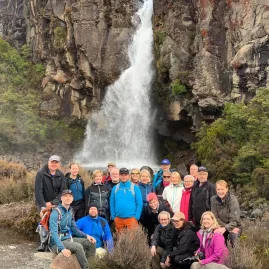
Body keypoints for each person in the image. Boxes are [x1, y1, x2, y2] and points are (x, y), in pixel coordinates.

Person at [49, 190, 96, 269]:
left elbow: (74, 229)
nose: (68, 198)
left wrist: (86, 236)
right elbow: (54, 233)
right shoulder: (56, 212)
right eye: (65, 196)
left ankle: (90, 264)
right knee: (78, 247)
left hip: (68, 239)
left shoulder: (70, 211)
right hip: (56, 243)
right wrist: (62, 249)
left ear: (72, 199)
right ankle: (86, 268)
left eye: (70, 196)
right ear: (61, 198)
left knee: (91, 243)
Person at [110, 167, 143, 232]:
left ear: (128, 176)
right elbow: (112, 203)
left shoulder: (135, 188)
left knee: (132, 240)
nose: (123, 177)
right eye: (122, 175)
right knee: (120, 239)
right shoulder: (115, 188)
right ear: (119, 176)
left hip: (131, 219)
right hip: (118, 219)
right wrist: (114, 217)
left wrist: (136, 217)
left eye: (125, 175)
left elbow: (139, 203)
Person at [211, 180, 242, 247]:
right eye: (218, 189)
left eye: (222, 189)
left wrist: (226, 228)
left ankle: (234, 255)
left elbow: (234, 220)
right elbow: (215, 217)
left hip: (235, 226)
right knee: (213, 235)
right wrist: (224, 227)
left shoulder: (233, 200)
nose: (220, 191)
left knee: (232, 236)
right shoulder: (213, 199)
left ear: (227, 189)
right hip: (220, 225)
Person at [189, 166, 216, 230]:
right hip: (195, 221)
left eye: (204, 174)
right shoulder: (194, 186)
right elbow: (191, 202)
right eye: (200, 174)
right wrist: (190, 217)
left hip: (206, 221)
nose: (202, 176)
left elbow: (214, 205)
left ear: (207, 175)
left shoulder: (211, 187)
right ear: (197, 175)